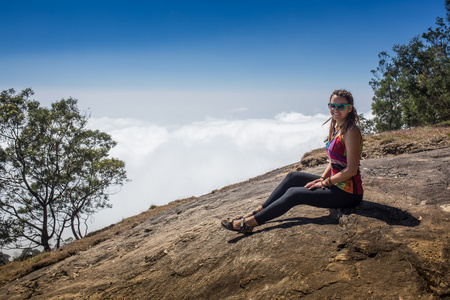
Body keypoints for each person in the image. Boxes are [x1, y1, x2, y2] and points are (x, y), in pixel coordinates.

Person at [222, 89, 364, 233]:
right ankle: (257, 211)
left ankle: (248, 224)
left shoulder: (350, 132)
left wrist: (325, 183)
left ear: (350, 108)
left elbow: (351, 170)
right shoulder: (336, 127)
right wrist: (322, 178)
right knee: (293, 177)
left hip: (348, 193)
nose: (335, 110)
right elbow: (334, 161)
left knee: (295, 194)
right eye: (332, 106)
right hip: (335, 184)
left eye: (340, 106)